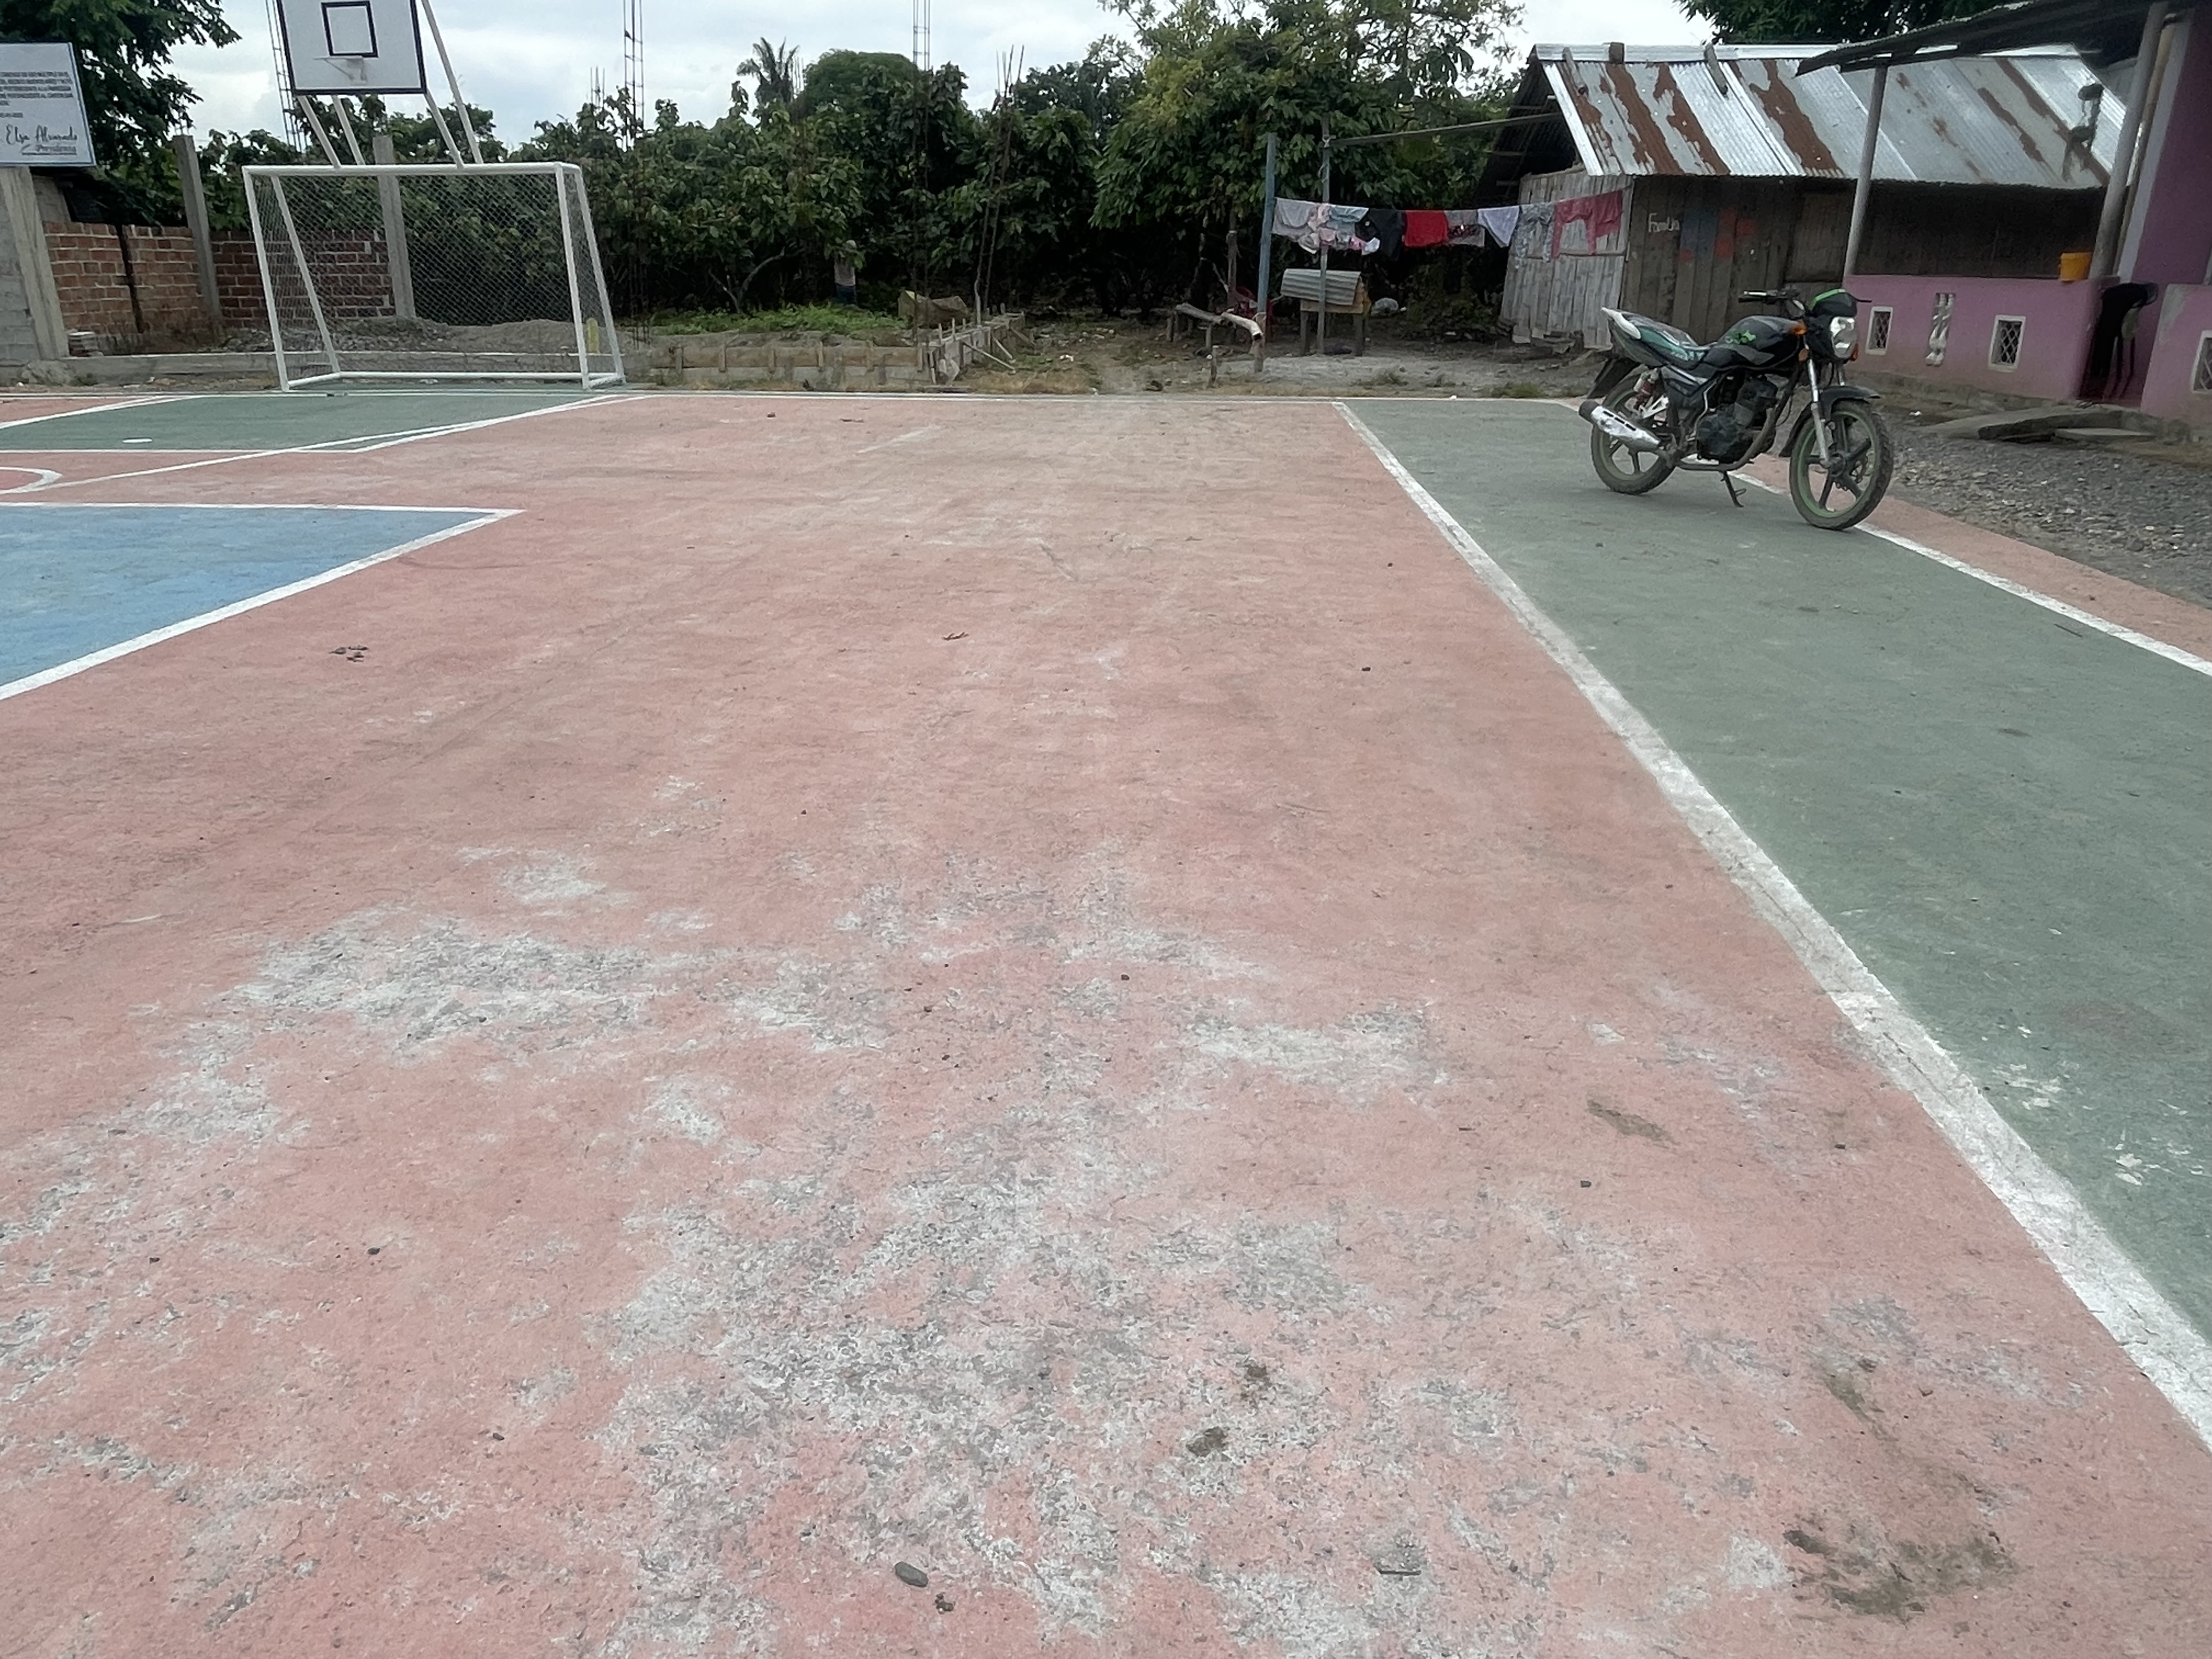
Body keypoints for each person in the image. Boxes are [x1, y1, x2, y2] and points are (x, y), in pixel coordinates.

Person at [832, 241, 860, 308]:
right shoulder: (853, 259)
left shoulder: (838, 257)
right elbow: (852, 273)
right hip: (851, 285)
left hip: (841, 285)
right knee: (853, 308)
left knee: (843, 308)